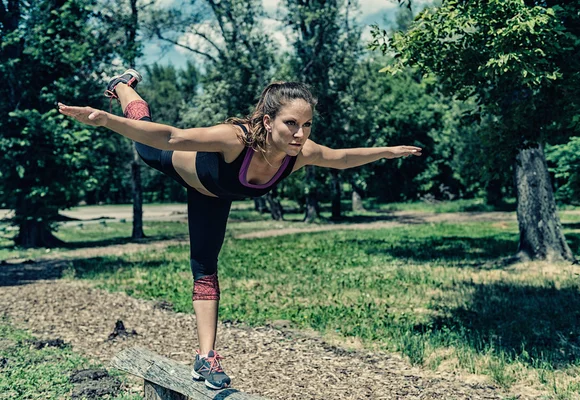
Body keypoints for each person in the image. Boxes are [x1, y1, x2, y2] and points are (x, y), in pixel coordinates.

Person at [58, 69, 422, 390]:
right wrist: (105, 121)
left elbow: (341, 158)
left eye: (306, 124)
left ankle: (206, 358)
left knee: (205, 268)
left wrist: (386, 151)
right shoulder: (236, 138)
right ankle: (123, 87)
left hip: (214, 198)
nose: (300, 133)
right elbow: (171, 137)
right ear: (268, 122)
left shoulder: (301, 154)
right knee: (144, 145)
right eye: (291, 124)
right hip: (180, 164)